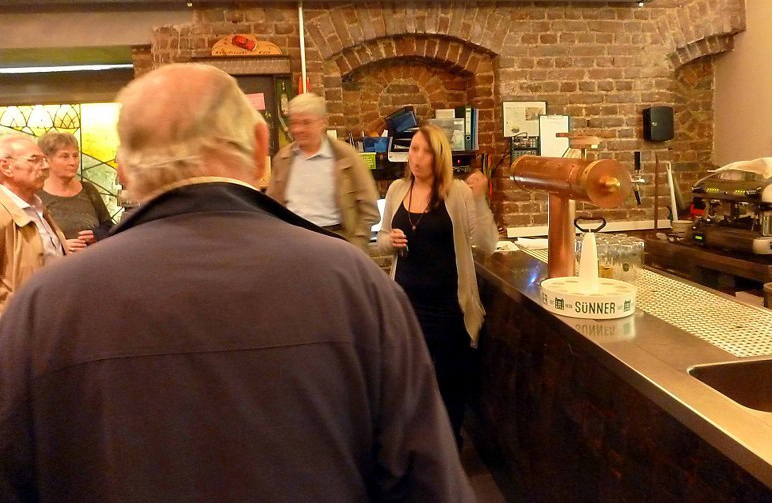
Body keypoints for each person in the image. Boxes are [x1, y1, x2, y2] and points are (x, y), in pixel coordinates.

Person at [0, 64, 474, 503]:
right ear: (260, 144)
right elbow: (429, 485)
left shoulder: (45, 306)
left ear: (122, 167)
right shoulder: (360, 289)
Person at [377, 123, 498, 449]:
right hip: (405, 305)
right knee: (407, 385)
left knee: (449, 386)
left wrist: (480, 199)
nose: (417, 157)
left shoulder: (457, 193)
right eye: (413, 149)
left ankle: (448, 450)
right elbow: (382, 239)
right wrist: (389, 240)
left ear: (439, 156)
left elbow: (487, 243)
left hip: (448, 308)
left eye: (426, 151)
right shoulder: (397, 190)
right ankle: (414, 450)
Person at [268, 92, 380, 251]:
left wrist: (355, 246)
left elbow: (369, 209)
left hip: (336, 244)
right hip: (294, 245)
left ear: (323, 123)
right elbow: (271, 208)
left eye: (306, 122)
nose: (298, 129)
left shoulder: (347, 157)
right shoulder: (282, 159)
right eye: (294, 122)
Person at [0, 133, 67, 314]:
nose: (45, 166)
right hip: (17, 322)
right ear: (6, 167)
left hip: (48, 316)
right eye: (35, 160)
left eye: (44, 159)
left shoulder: (37, 208)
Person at [37, 132, 115, 254]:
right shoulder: (36, 194)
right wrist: (59, 247)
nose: (72, 162)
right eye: (65, 156)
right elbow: (27, 240)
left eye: (75, 156)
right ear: (47, 160)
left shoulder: (88, 190)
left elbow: (108, 226)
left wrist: (96, 235)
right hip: (55, 264)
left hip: (92, 261)